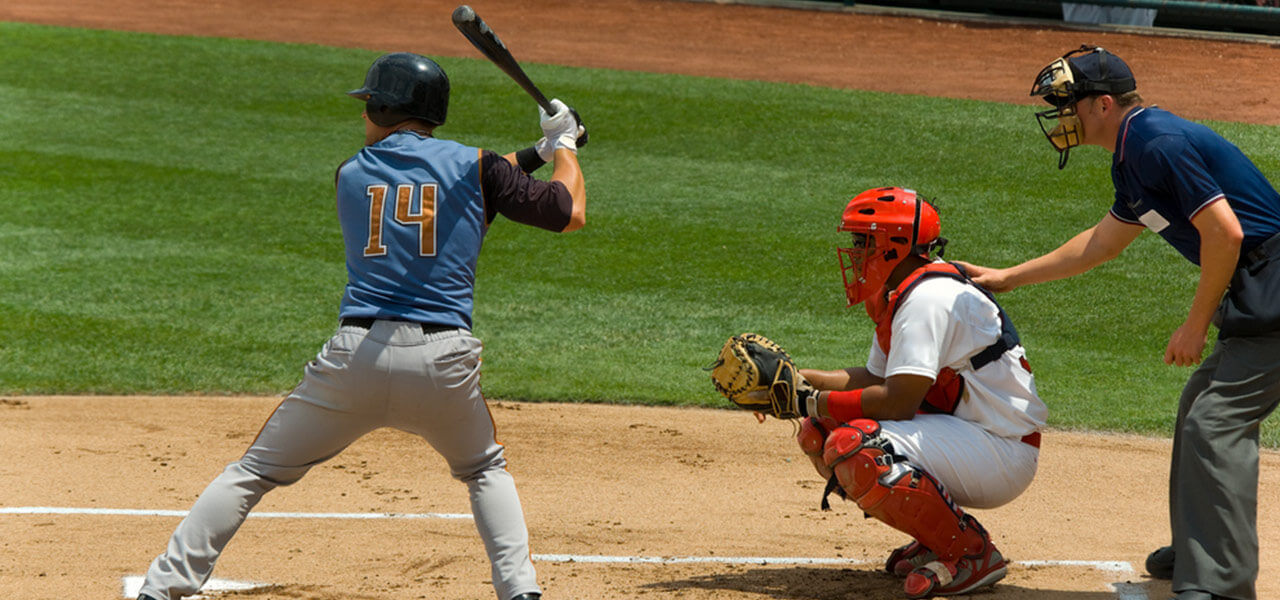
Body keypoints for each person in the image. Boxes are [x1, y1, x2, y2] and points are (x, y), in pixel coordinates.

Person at [136, 52, 587, 600]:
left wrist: (536, 152)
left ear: (384, 107)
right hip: (442, 365)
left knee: (251, 473)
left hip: (355, 362)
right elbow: (566, 211)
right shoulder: (478, 166)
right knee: (484, 471)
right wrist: (562, 145)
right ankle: (521, 591)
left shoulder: (351, 173)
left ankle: (160, 589)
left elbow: (459, 186)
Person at [960, 45, 1280, 600]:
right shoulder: (1133, 152)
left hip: (1271, 280)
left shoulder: (1158, 141)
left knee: (1216, 423)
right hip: (1261, 284)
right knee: (1199, 404)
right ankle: (1202, 544)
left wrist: (1195, 324)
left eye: (1068, 104)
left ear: (1103, 104)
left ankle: (1222, 584)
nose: (1061, 117)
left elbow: (1225, 234)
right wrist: (1010, 277)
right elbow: (1100, 244)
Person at [789, 187, 1047, 598]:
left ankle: (971, 554)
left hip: (1001, 450)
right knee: (819, 428)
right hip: (966, 435)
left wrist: (805, 398)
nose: (856, 253)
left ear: (893, 245)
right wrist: (798, 380)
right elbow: (875, 379)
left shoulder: (928, 298)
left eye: (863, 242)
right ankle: (937, 535)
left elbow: (898, 402)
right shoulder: (904, 290)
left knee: (859, 448)